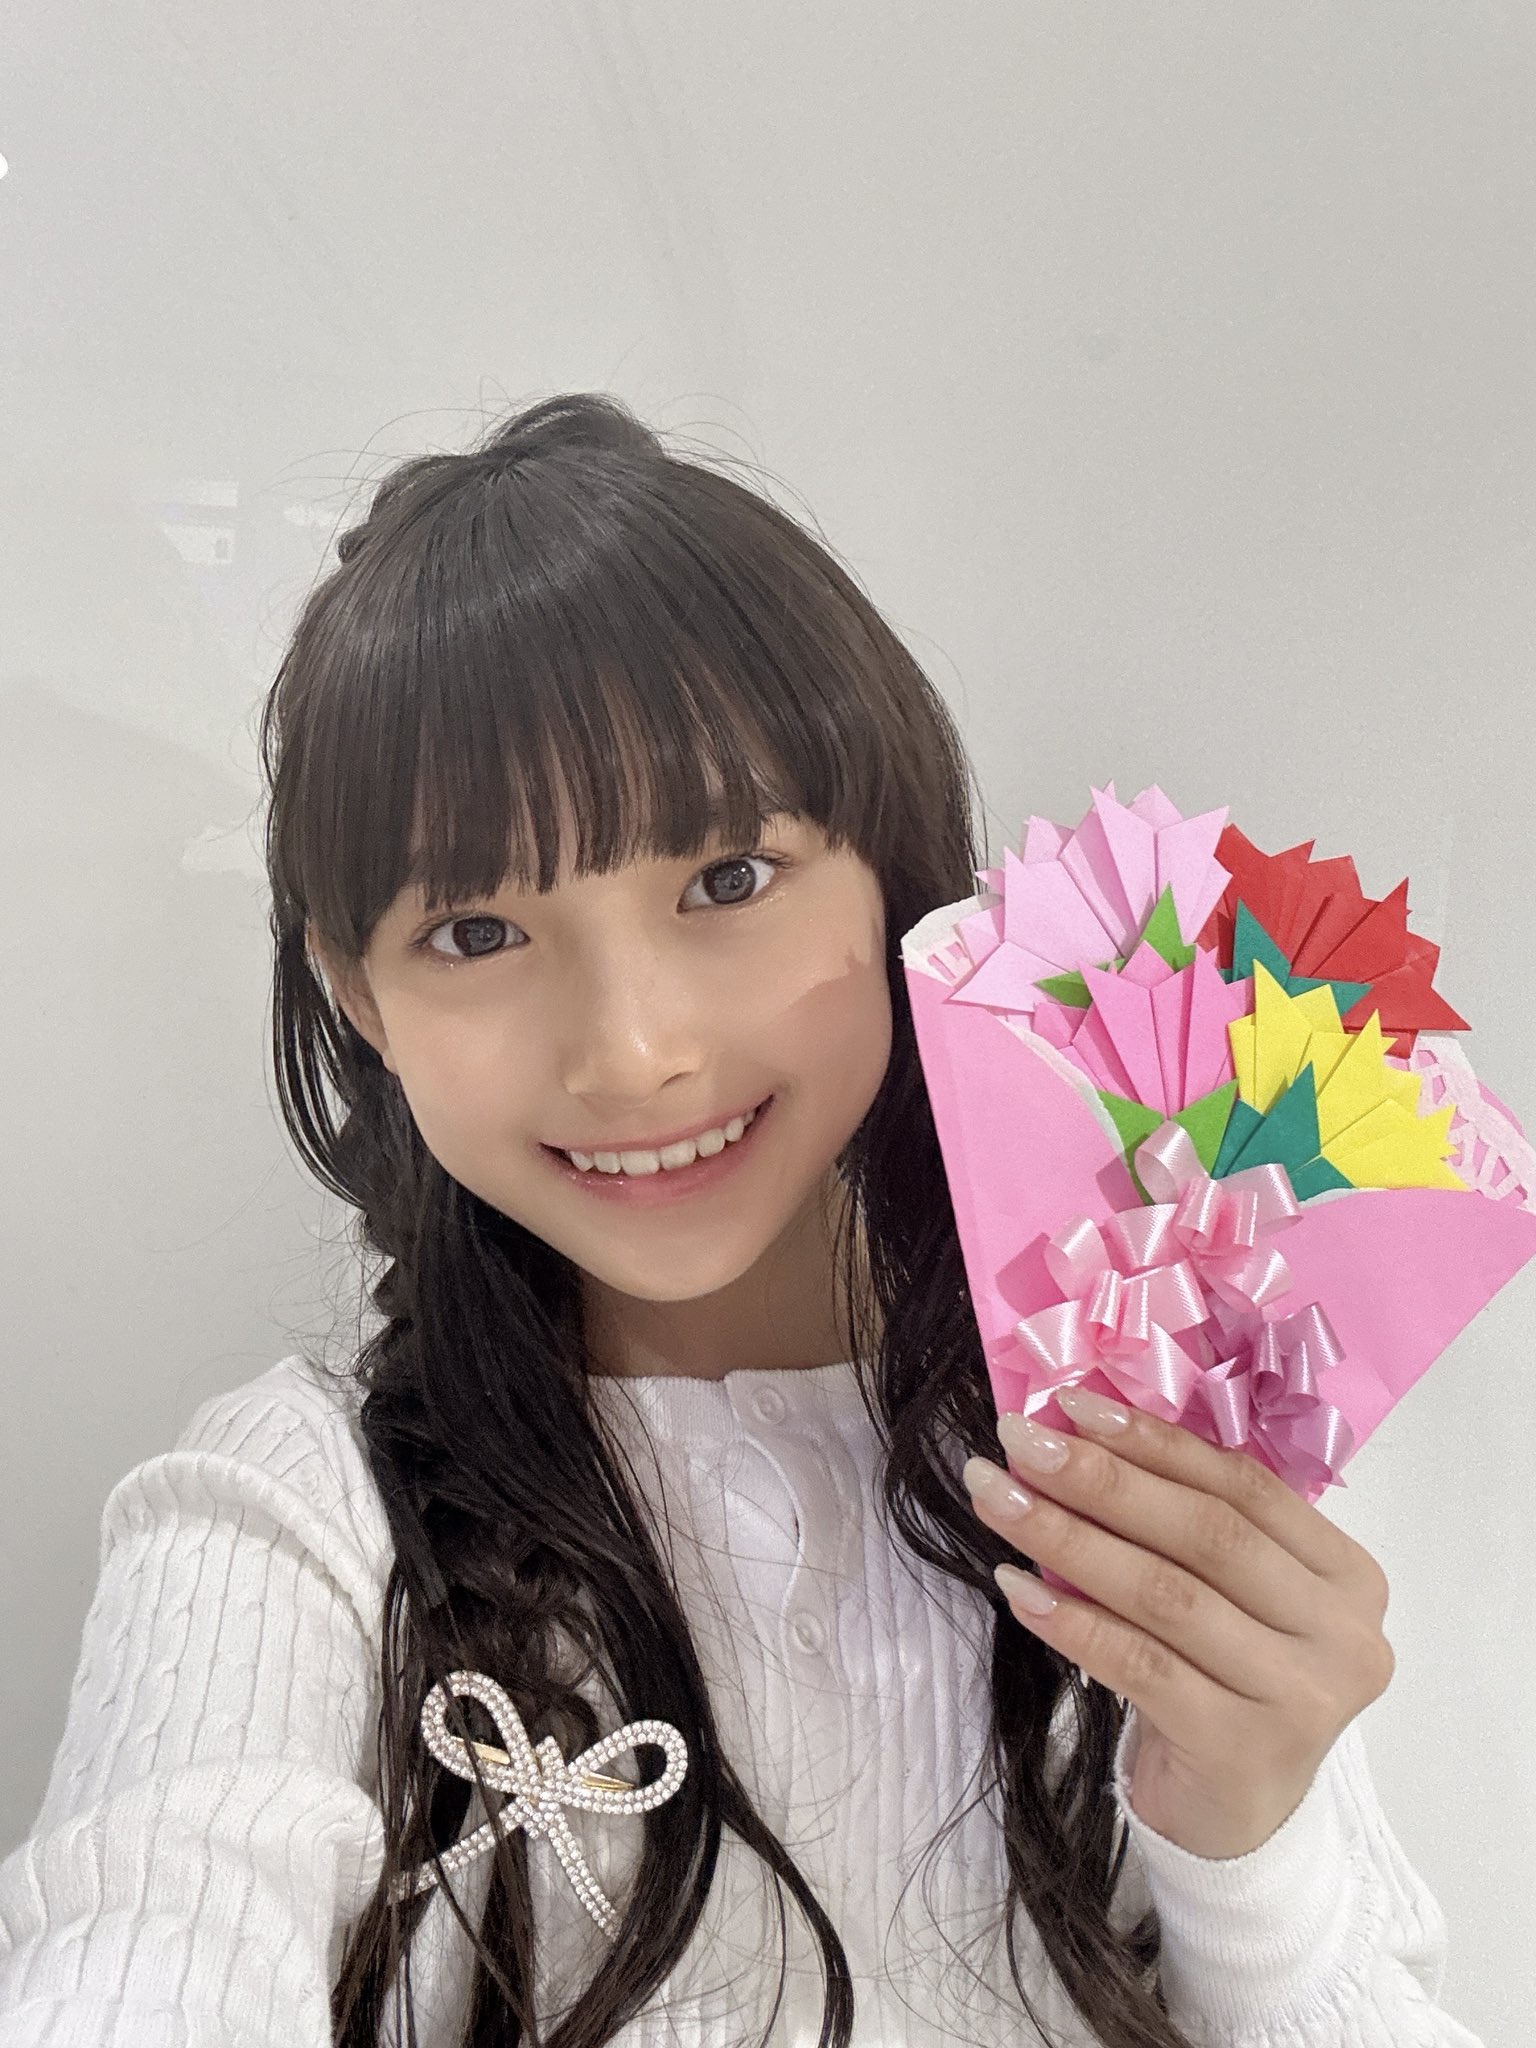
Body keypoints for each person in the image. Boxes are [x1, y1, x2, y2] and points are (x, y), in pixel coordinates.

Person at [0, 393, 1483, 2048]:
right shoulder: (297, 1521)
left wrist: (1248, 1854)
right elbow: (154, 1933)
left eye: (726, 881)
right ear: (358, 995)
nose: (634, 1053)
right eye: (476, 932)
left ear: (898, 879)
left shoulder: (1148, 1440)